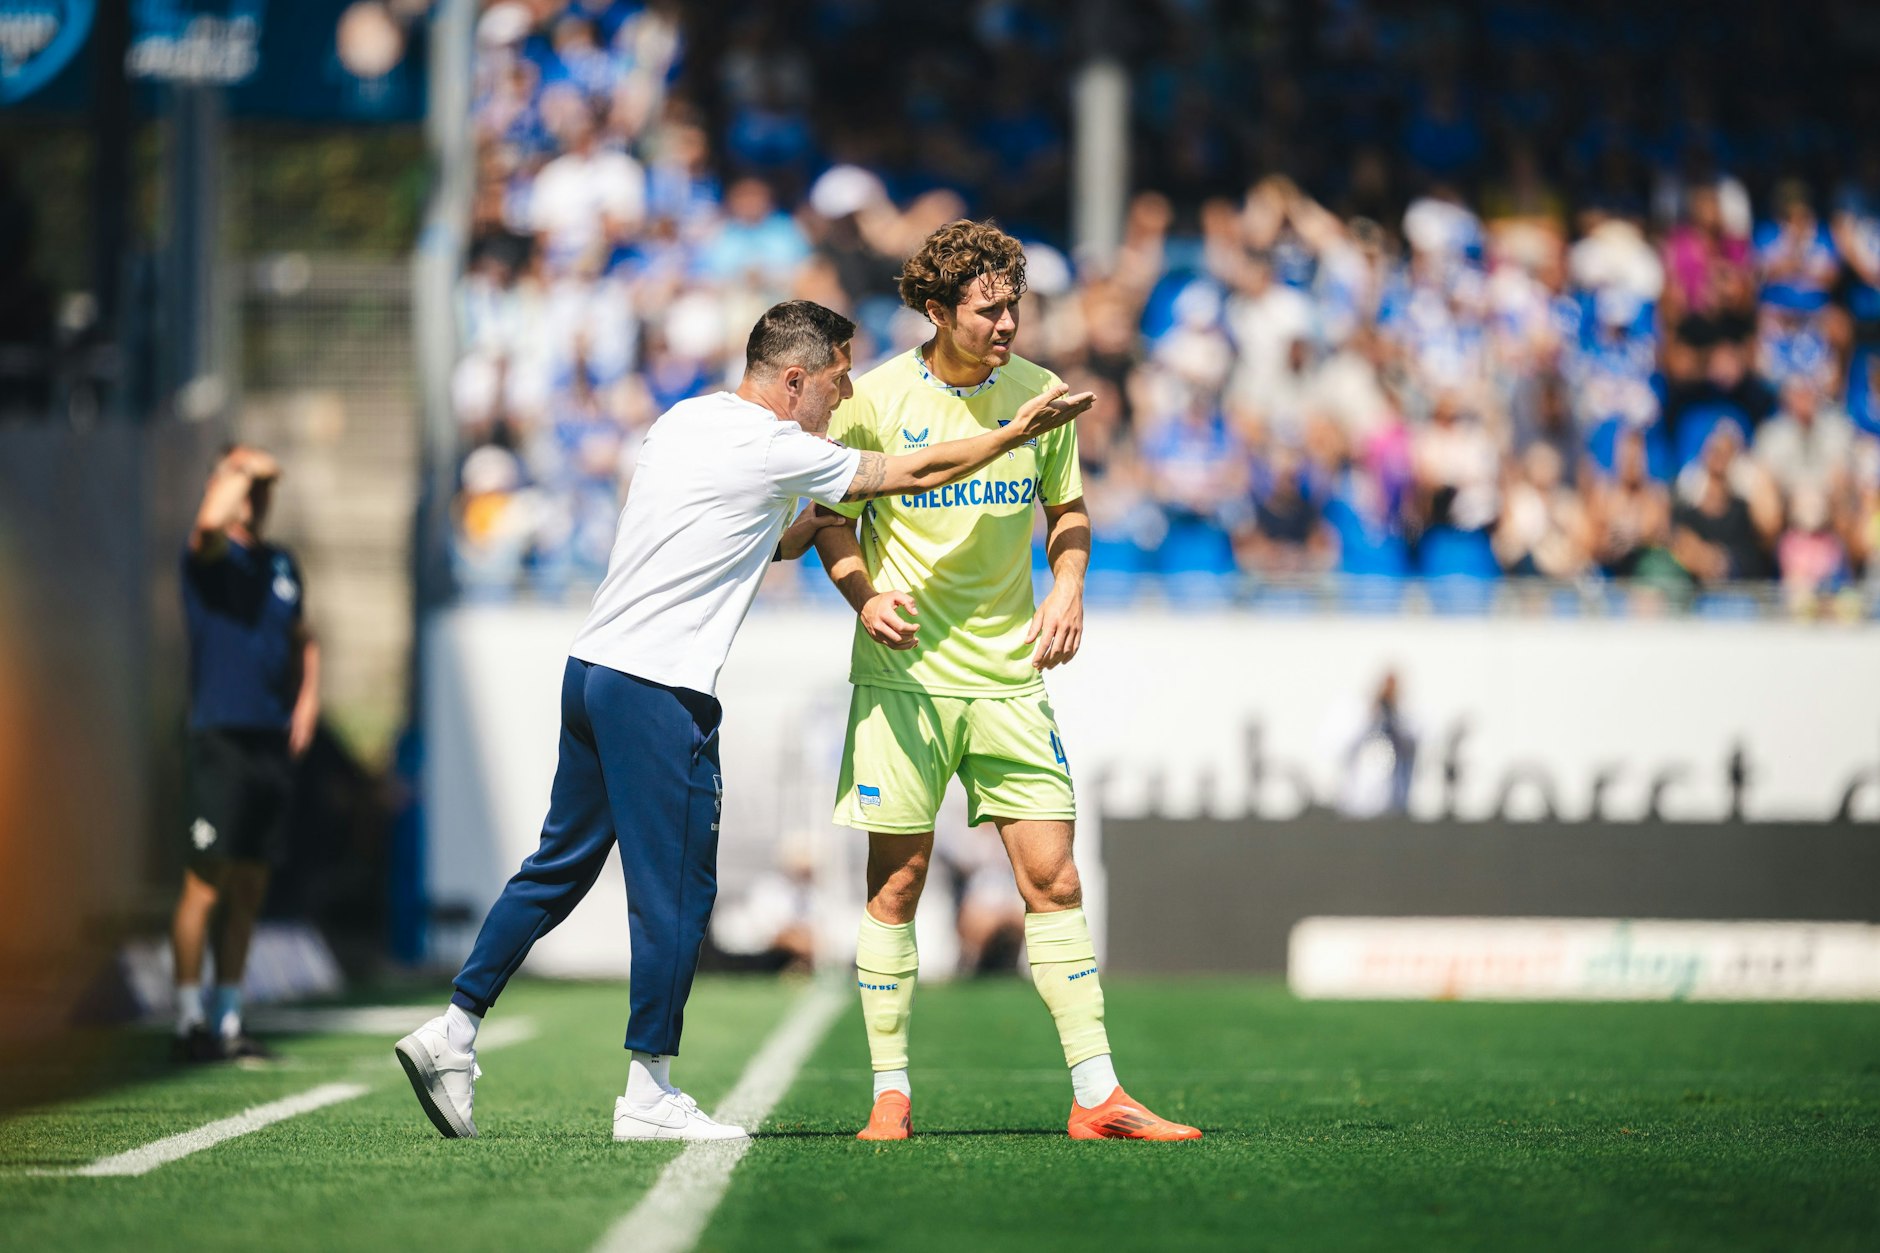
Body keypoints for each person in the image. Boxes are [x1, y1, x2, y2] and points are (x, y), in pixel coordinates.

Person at [395, 300, 1091, 1143]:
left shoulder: (683, 422)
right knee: (677, 894)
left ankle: (454, 1030)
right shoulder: (776, 445)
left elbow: (769, 536)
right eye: (834, 382)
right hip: (661, 689)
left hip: (594, 673)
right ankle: (648, 1091)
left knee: (557, 866)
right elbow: (910, 474)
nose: (841, 399)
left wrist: (831, 533)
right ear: (794, 378)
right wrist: (1016, 432)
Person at [813, 220, 1202, 1142]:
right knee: (896, 888)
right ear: (938, 311)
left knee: (1054, 878)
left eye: (1014, 305)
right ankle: (890, 1095)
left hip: (1007, 681)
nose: (1008, 324)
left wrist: (1068, 582)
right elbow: (830, 519)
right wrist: (863, 596)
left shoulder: (1042, 397)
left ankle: (1099, 1094)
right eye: (989, 310)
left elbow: (1067, 511)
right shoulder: (873, 400)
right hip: (902, 682)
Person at [172, 446, 320, 1063]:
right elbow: (208, 524)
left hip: (267, 743)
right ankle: (187, 1021)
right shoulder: (207, 556)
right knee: (207, 883)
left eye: (265, 487)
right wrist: (235, 471)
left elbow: (303, 637)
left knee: (251, 885)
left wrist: (308, 697)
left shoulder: (281, 563)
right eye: (248, 485)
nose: (258, 497)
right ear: (225, 485)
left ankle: (228, 1018)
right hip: (220, 737)